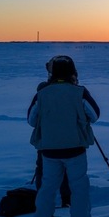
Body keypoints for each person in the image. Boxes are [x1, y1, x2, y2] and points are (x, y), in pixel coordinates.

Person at [27, 55, 100, 217]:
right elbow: (95, 115)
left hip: (49, 149)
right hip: (75, 148)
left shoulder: (42, 93)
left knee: (48, 187)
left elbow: (31, 120)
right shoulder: (79, 92)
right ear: (73, 72)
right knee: (79, 186)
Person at [32, 56, 71, 207]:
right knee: (67, 168)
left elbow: (32, 119)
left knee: (43, 169)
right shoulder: (74, 91)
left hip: (46, 141)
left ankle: (43, 203)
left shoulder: (43, 92)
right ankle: (66, 200)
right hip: (69, 140)